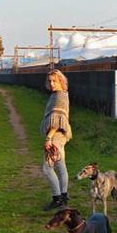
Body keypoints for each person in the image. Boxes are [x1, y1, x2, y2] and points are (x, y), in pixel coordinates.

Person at [42, 69, 73, 210]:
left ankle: (57, 198)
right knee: (61, 167)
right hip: (60, 137)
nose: (52, 83)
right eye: (50, 81)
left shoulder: (60, 96)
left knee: (47, 168)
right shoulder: (58, 95)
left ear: (61, 80)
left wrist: (49, 138)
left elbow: (58, 120)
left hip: (56, 137)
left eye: (55, 80)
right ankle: (64, 196)